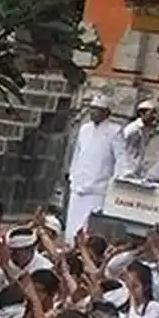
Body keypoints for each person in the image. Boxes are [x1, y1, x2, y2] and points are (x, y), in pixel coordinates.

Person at [66, 93, 120, 242]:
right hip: (78, 185)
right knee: (72, 225)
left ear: (106, 112)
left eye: (97, 109)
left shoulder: (115, 132)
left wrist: (113, 183)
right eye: (91, 108)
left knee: (88, 229)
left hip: (97, 189)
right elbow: (77, 154)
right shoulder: (84, 129)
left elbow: (121, 160)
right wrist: (72, 177)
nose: (92, 112)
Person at [113, 99, 159, 178]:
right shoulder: (133, 128)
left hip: (135, 170)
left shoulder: (145, 129)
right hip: (125, 170)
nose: (154, 116)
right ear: (142, 113)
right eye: (151, 113)